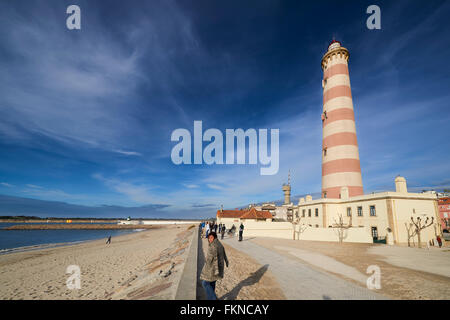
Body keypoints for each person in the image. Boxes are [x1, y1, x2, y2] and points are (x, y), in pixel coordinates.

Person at [200, 232, 229, 300]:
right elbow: (224, 254)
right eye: (209, 238)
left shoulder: (213, 246)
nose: (210, 239)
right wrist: (226, 261)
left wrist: (205, 269)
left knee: (205, 283)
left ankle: (213, 298)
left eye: (211, 238)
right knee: (212, 283)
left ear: (215, 237)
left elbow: (209, 260)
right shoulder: (219, 244)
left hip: (213, 269)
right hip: (219, 268)